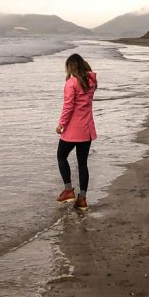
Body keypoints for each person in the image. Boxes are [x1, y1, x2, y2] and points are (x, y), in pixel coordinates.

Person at [55, 53, 97, 211]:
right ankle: (82, 199)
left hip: (73, 129)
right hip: (87, 129)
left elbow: (68, 107)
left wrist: (61, 125)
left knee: (61, 156)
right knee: (82, 164)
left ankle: (68, 190)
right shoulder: (91, 81)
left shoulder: (72, 83)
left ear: (71, 66)